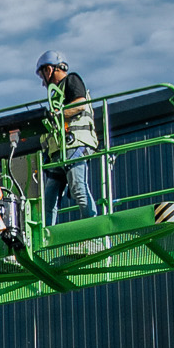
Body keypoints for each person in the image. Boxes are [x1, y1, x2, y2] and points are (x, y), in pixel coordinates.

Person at [35, 53, 100, 226]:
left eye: (42, 76)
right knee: (48, 199)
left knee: (78, 188)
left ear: (49, 69)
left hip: (74, 145)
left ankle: (95, 232)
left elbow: (80, 104)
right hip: (59, 152)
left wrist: (57, 115)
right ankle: (46, 239)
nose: (43, 82)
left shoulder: (71, 81)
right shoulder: (56, 95)